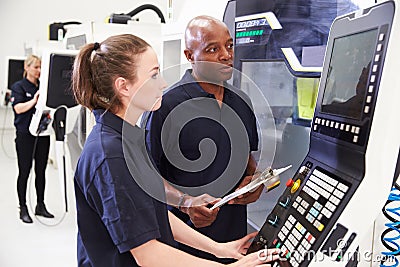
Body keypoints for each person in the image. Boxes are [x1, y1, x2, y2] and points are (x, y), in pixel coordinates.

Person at [72, 34, 279, 266]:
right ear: (124, 86)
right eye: (153, 75)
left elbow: (154, 215)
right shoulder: (111, 155)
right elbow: (148, 255)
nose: (162, 83)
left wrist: (219, 249)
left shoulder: (128, 138)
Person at [146, 15, 264, 263]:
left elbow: (248, 160)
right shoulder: (165, 106)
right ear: (190, 56)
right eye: (213, 49)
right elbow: (148, 178)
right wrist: (184, 203)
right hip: (184, 244)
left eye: (229, 46)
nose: (226, 55)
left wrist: (256, 181)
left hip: (234, 241)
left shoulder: (242, 102)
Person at [11, 54, 54, 224]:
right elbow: (18, 108)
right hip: (25, 136)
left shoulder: (44, 87)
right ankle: (23, 207)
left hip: (42, 134)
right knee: (24, 171)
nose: (39, 71)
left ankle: (40, 205)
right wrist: (34, 101)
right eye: (35, 67)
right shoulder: (19, 87)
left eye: (40, 67)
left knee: (41, 171)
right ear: (27, 68)